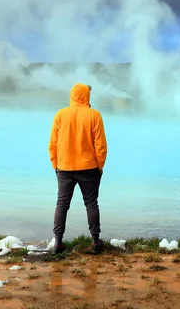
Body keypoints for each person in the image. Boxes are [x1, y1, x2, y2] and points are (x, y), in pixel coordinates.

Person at [48, 83, 107, 254]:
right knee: (91, 203)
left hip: (64, 167)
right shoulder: (94, 115)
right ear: (87, 96)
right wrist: (99, 166)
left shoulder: (60, 114)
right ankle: (95, 242)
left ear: (72, 95)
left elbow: (52, 144)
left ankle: (58, 242)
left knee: (62, 203)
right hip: (89, 167)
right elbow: (100, 146)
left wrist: (56, 165)